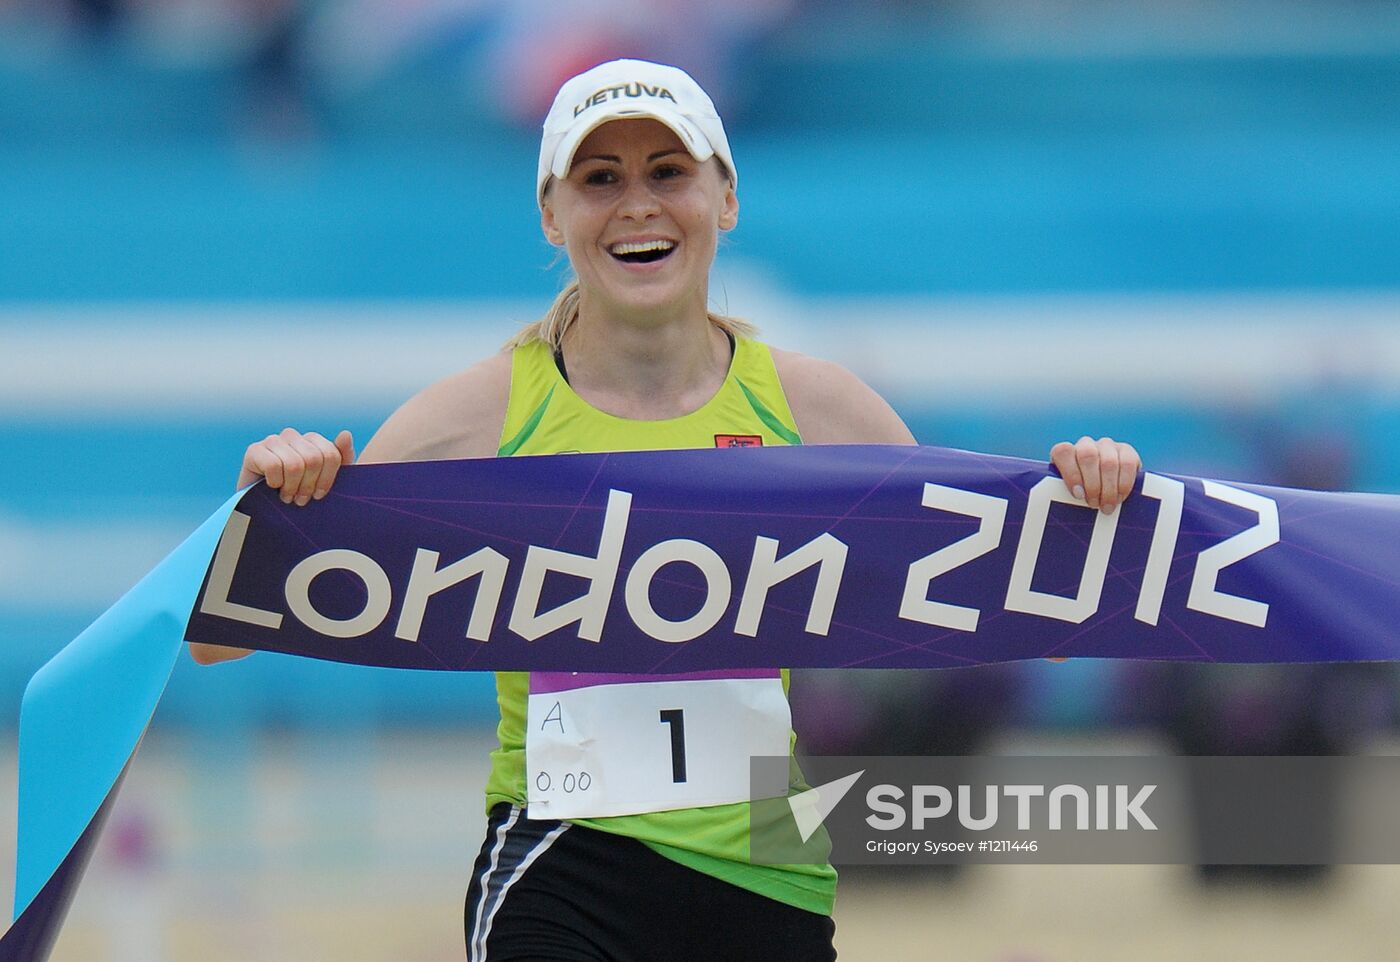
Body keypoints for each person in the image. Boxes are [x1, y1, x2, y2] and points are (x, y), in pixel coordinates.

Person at [190, 58, 1142, 961]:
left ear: (725, 196)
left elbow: (1033, 622)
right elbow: (215, 635)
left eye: (668, 170)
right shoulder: (475, 419)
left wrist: (1090, 504)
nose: (637, 203)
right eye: (599, 177)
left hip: (769, 879)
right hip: (558, 866)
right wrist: (275, 500)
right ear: (550, 215)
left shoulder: (818, 412)